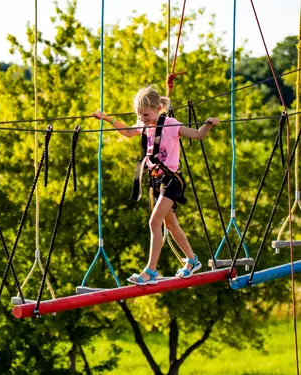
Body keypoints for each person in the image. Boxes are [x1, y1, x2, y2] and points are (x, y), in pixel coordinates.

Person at [92, 86, 219, 285]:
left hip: (171, 181)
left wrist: (208, 124)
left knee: (154, 222)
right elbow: (127, 131)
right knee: (171, 224)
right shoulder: (144, 125)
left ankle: (150, 271)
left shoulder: (171, 124)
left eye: (145, 115)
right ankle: (192, 261)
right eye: (139, 116)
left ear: (159, 108)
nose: (142, 119)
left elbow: (197, 135)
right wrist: (107, 118)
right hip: (157, 181)